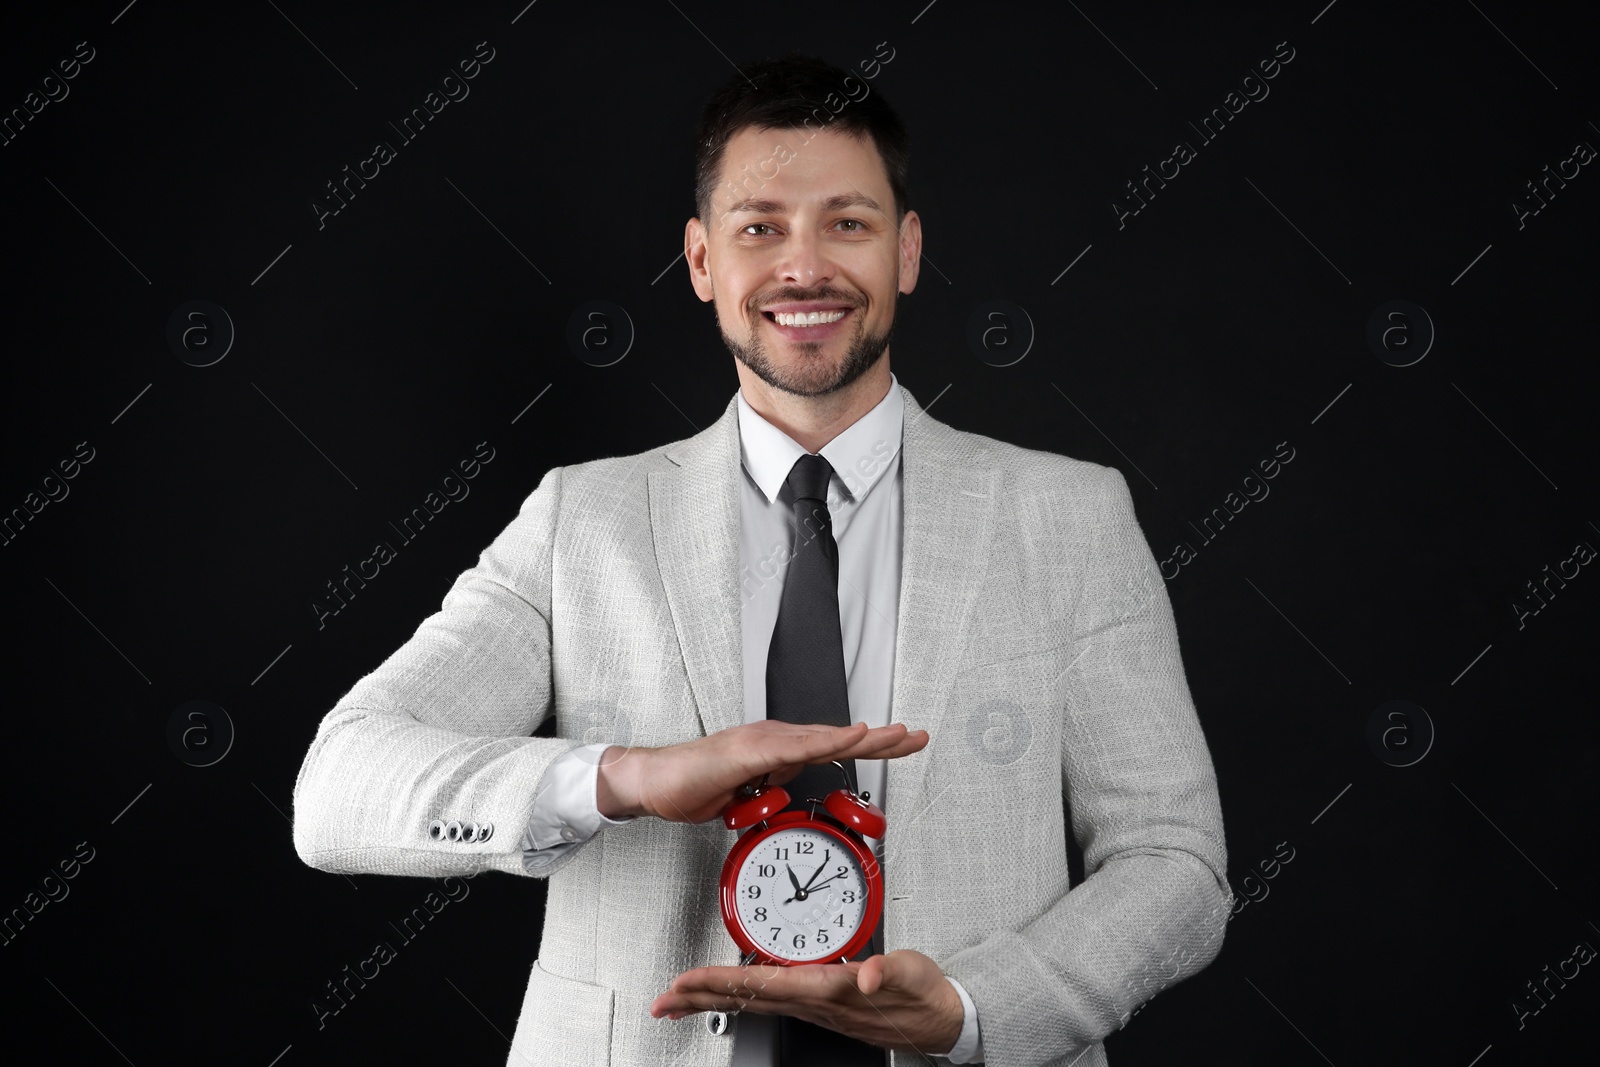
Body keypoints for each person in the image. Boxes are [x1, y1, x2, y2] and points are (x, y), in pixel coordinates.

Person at [291, 52, 1230, 1067]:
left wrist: (971, 1010)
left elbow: (1173, 864)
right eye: (760, 227)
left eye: (848, 222)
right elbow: (338, 787)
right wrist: (628, 776)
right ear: (701, 261)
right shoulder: (584, 519)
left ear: (907, 252)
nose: (804, 265)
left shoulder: (1069, 516)